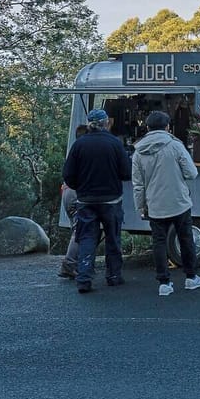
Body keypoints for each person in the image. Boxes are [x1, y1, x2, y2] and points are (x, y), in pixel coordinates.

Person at [132, 110, 200, 296]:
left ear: (147, 127)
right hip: (179, 202)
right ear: (167, 127)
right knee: (186, 239)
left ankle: (164, 283)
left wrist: (141, 207)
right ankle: (191, 278)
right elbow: (192, 173)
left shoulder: (138, 151)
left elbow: (138, 185)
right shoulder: (175, 146)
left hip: (154, 204)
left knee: (159, 242)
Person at [62, 109, 132, 294]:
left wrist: (81, 187)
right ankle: (114, 276)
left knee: (86, 238)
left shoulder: (79, 145)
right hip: (111, 200)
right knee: (112, 238)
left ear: (89, 124)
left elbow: (68, 175)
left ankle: (84, 279)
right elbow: (126, 173)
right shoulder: (115, 144)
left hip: (86, 200)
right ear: (106, 123)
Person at [58, 125, 88, 279]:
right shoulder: (83, 151)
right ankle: (69, 264)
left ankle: (74, 263)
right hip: (76, 193)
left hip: (67, 191)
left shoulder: (75, 150)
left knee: (77, 229)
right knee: (80, 230)